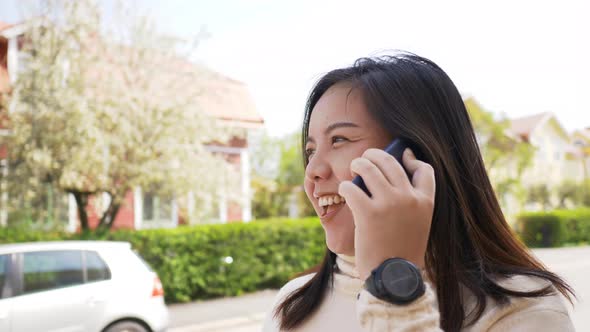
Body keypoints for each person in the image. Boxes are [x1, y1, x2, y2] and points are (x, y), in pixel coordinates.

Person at [262, 52, 575, 331]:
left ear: (415, 159)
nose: (313, 171)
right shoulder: (291, 307)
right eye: (310, 149)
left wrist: (395, 292)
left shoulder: (525, 311)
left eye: (339, 140)